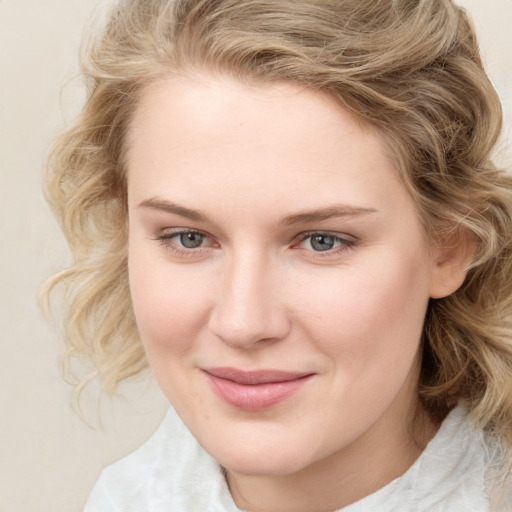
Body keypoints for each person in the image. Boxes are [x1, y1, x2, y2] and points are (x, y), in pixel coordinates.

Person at [43, 0, 512, 510]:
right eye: (188, 238)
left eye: (322, 241)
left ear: (449, 246)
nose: (243, 324)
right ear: (122, 227)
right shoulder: (122, 498)